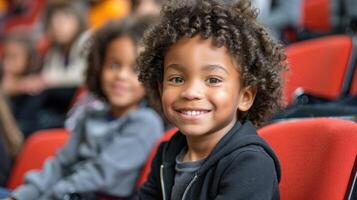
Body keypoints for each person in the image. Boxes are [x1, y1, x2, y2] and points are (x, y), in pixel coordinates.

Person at [136, 0, 286, 199]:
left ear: (245, 96)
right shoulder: (168, 152)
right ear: (160, 86)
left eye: (213, 80)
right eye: (177, 79)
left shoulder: (251, 164)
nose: (191, 92)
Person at [7, 16, 164, 200]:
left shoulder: (145, 123)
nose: (121, 76)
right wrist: (20, 196)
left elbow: (101, 174)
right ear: (98, 67)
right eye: (114, 65)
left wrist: (48, 196)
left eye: (135, 69)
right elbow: (59, 165)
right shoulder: (90, 116)